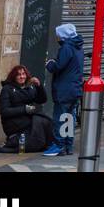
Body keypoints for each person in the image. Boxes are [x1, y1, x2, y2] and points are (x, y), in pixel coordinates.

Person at [0, 65, 53, 153]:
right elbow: (4, 111)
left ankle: (46, 144)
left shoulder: (29, 87)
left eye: (23, 74)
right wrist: (24, 109)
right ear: (14, 77)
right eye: (18, 75)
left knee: (45, 120)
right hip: (14, 122)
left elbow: (42, 100)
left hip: (27, 119)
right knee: (39, 121)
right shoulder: (7, 89)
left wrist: (39, 86)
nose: (22, 77)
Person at [42, 23, 84, 157]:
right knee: (69, 119)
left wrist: (49, 63)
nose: (57, 37)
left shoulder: (66, 47)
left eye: (58, 35)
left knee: (61, 118)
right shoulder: (78, 47)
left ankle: (59, 146)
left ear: (63, 36)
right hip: (74, 89)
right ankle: (68, 145)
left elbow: (59, 66)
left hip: (64, 90)